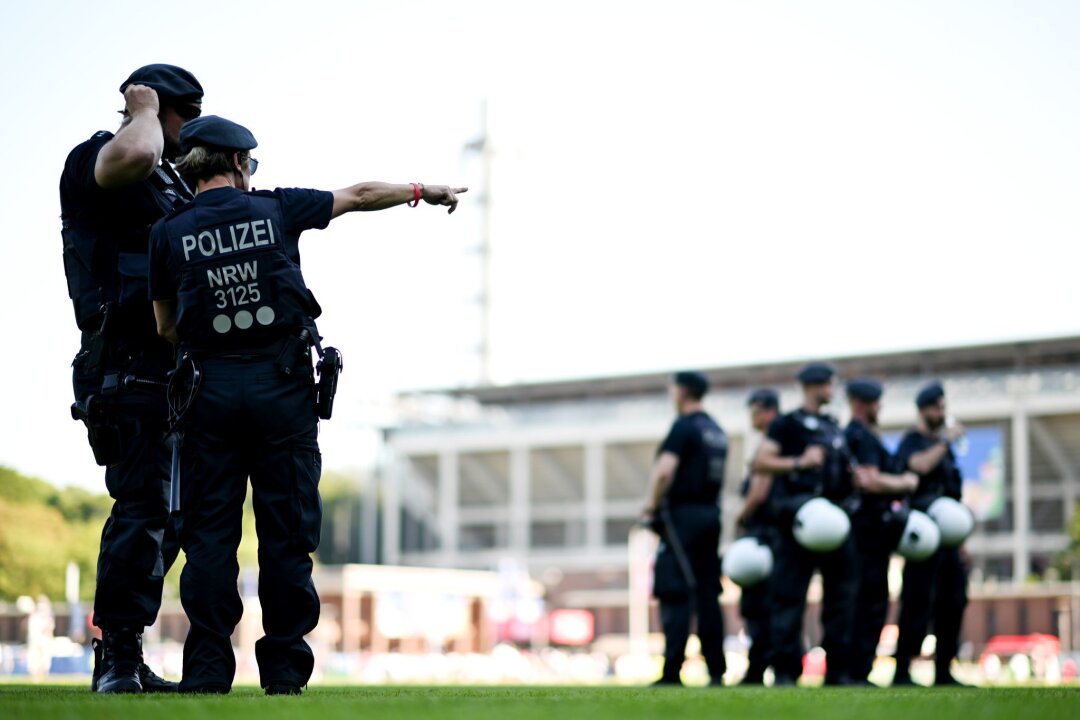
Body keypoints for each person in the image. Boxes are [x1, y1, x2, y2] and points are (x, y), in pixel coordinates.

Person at [147, 115, 466, 695]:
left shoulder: (167, 232)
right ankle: (285, 676)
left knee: (210, 538)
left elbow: (166, 326)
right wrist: (425, 191)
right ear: (239, 164)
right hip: (282, 390)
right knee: (287, 535)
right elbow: (362, 194)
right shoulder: (277, 208)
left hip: (207, 397)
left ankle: (208, 674)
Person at [60, 63, 204, 694]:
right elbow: (137, 151)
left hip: (172, 370)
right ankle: (113, 659)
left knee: (172, 518)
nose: (191, 129)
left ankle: (129, 653)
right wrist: (141, 109)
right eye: (185, 115)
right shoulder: (105, 156)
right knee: (143, 506)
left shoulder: (171, 184)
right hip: (124, 364)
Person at [752, 362, 858, 686]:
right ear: (815, 386)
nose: (832, 391)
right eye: (829, 384)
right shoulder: (787, 425)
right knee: (788, 597)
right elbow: (760, 461)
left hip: (836, 522)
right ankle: (785, 670)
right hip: (797, 522)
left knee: (841, 598)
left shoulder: (834, 426)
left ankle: (838, 670)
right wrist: (800, 462)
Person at [641, 371, 728, 686]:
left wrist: (650, 505)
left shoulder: (684, 427)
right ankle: (717, 670)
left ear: (682, 392)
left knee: (674, 589)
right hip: (710, 516)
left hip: (682, 518)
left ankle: (672, 670)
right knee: (707, 592)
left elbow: (665, 470)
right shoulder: (716, 430)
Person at [891, 382, 970, 686]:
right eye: (936, 407)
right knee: (917, 600)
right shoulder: (914, 441)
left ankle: (944, 669)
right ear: (923, 410)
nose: (942, 413)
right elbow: (919, 466)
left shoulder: (944, 451)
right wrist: (944, 442)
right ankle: (903, 669)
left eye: (943, 407)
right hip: (922, 538)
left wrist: (961, 541)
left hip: (948, 540)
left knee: (954, 600)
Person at [843, 379, 918, 685]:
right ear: (862, 404)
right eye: (876, 402)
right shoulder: (861, 436)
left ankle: (859, 670)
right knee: (868, 599)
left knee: (871, 598)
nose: (880, 408)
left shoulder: (861, 435)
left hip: (871, 531)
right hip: (866, 531)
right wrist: (905, 483)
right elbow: (870, 481)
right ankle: (856, 670)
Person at [735, 388, 780, 685]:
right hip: (775, 535)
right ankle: (767, 666)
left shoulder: (772, 443)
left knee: (758, 606)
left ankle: (758, 669)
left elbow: (759, 491)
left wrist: (740, 518)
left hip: (765, 535)